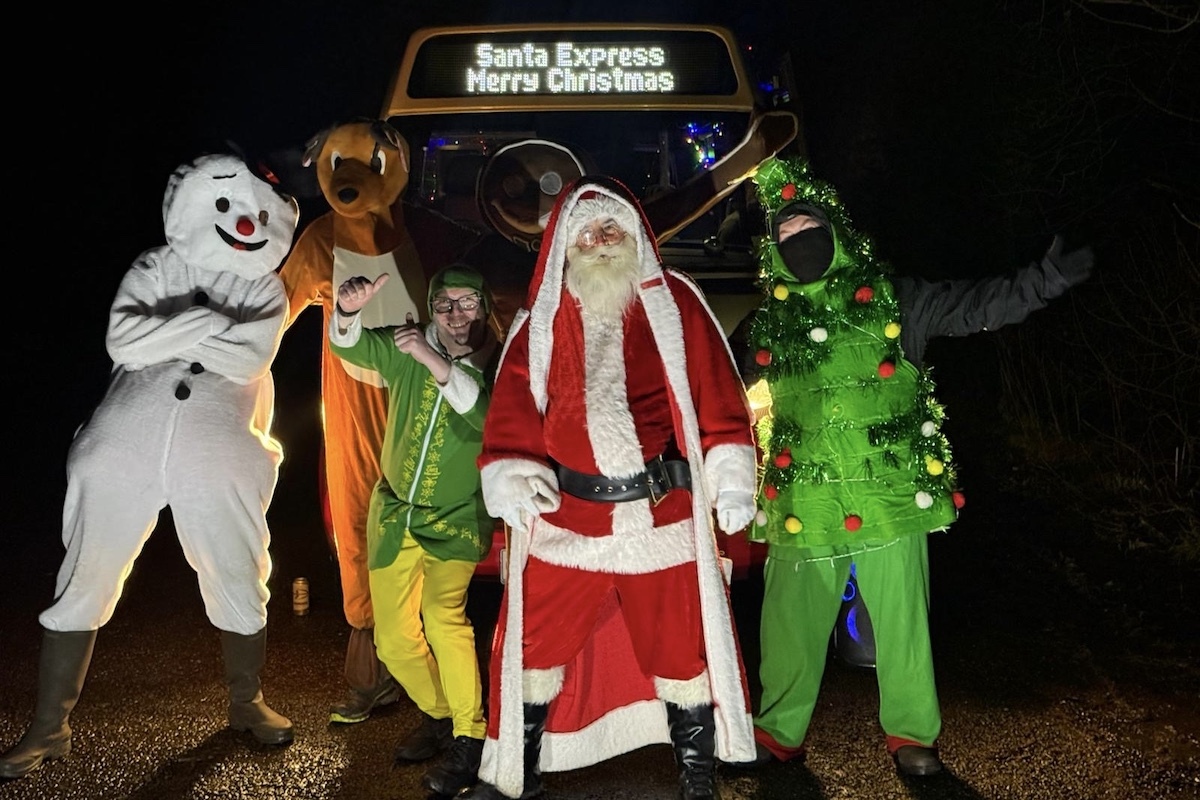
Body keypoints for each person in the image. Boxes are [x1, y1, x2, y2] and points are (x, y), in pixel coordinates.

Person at [739, 156, 1094, 776]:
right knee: (788, 626)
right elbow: (715, 388)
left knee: (902, 622)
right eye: (785, 236)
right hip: (803, 503)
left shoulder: (894, 301)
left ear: (837, 233)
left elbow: (973, 304)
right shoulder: (767, 325)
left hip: (889, 498)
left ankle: (911, 736)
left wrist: (1042, 282)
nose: (799, 242)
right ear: (773, 251)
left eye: (808, 228)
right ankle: (776, 731)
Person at [0, 153, 300, 779]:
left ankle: (248, 703)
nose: (242, 223)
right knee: (84, 574)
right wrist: (208, 323)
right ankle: (48, 726)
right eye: (224, 206)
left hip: (219, 452)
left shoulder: (267, 287)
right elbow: (122, 340)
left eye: (255, 213)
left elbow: (248, 359)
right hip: (123, 443)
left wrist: (168, 332)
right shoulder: (153, 264)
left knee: (238, 571)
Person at [464, 175, 759, 800]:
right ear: (565, 247)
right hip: (570, 519)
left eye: (611, 230)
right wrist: (513, 473)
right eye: (586, 234)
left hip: (663, 517)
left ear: (634, 237)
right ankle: (519, 769)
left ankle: (697, 775)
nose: (599, 243)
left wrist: (730, 472)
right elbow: (513, 403)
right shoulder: (541, 317)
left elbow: (717, 390)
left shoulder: (674, 300)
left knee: (681, 652)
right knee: (535, 649)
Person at [328, 264, 498, 797]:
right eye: (444, 304)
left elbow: (487, 419)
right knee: (395, 639)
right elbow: (351, 347)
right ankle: (442, 714)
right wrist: (348, 312)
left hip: (457, 517)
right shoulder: (407, 346)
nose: (455, 315)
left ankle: (471, 736)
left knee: (443, 618)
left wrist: (433, 362)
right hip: (397, 513)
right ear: (432, 308)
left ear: (484, 308)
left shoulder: (499, 361)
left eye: (467, 302)